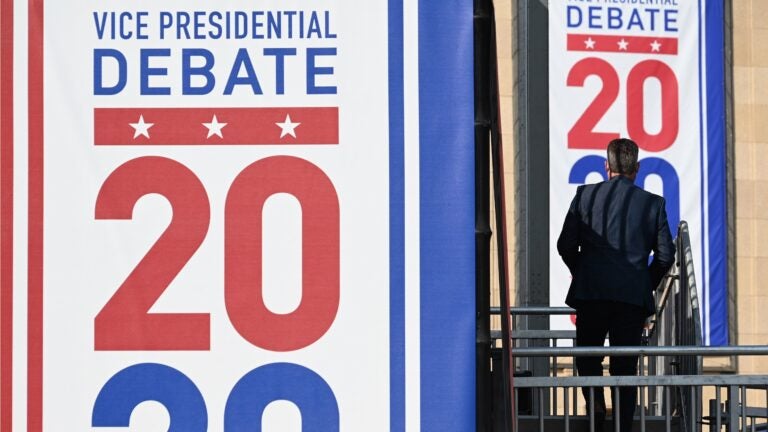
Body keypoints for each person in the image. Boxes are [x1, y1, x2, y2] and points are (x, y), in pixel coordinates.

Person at [557, 138, 675, 432]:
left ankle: (595, 402)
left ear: (606, 167)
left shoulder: (585, 196)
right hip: (630, 301)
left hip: (592, 294)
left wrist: (583, 271)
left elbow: (565, 245)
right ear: (636, 169)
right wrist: (642, 283)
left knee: (588, 357)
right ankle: (622, 424)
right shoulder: (653, 204)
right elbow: (666, 256)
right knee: (625, 368)